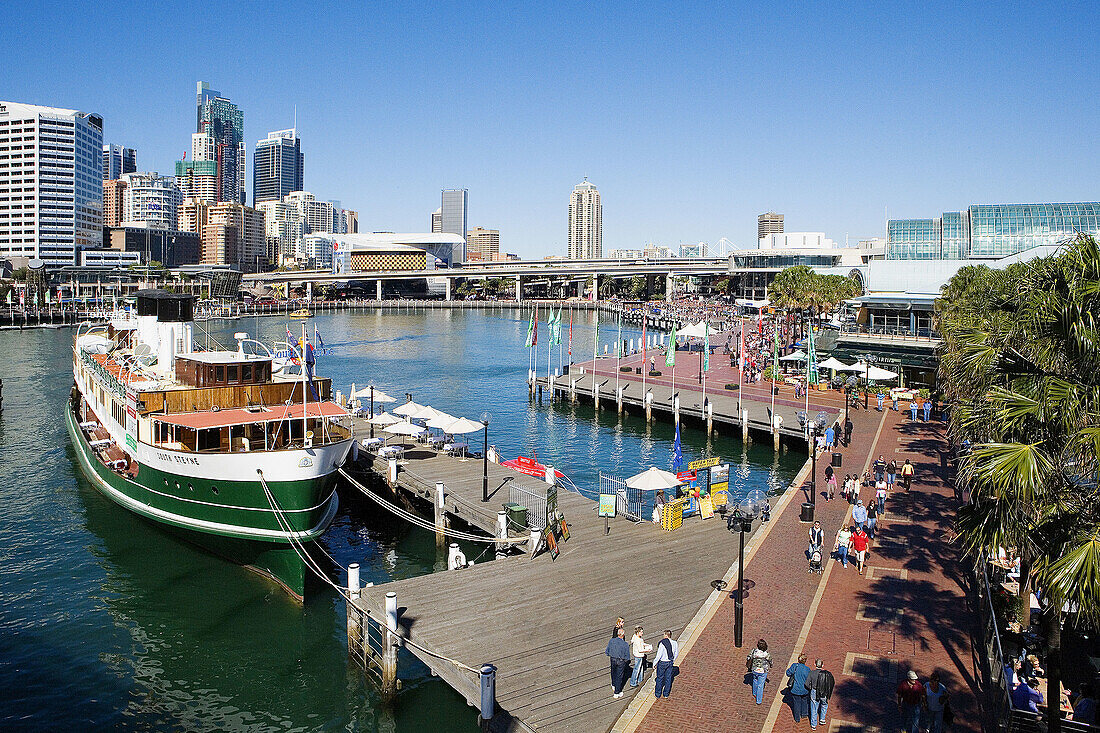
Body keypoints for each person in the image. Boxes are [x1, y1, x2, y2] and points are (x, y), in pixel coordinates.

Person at [806, 658, 835, 730]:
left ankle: (813, 725)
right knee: (824, 704)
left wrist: (811, 688)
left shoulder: (811, 673)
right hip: (824, 691)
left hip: (814, 691)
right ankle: (822, 719)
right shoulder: (826, 674)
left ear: (815, 664)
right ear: (822, 665)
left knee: (814, 707)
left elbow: (806, 684)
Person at [605, 627, 631, 698]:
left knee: (613, 672)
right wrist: (625, 661)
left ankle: (613, 685)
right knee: (619, 676)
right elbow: (627, 656)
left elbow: (607, 651)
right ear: (622, 635)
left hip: (612, 659)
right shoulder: (625, 644)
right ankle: (617, 692)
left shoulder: (611, 641)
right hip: (620, 661)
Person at [786, 653, 812, 722]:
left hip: (795, 689)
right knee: (804, 701)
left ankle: (797, 718)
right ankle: (804, 713)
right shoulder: (807, 669)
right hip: (805, 689)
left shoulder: (794, 666)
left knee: (796, 703)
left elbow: (788, 673)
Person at [653, 629, 679, 699]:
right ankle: (666, 694)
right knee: (668, 678)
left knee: (659, 678)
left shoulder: (662, 643)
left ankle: (658, 694)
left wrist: (654, 663)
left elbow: (659, 655)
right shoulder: (675, 643)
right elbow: (676, 653)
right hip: (670, 662)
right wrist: (673, 660)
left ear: (666, 635)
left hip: (662, 662)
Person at [747, 639, 772, 704]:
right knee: (760, 685)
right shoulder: (766, 654)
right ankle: (758, 700)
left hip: (754, 669)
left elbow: (748, 657)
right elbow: (770, 660)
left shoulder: (754, 651)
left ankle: (754, 692)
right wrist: (771, 665)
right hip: (763, 671)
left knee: (755, 680)